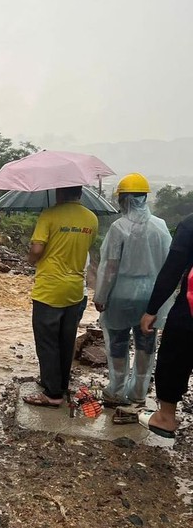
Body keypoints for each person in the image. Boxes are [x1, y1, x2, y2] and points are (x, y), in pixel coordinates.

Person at [93, 174, 172, 408]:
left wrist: (100, 296)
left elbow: (109, 267)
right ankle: (138, 392)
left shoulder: (119, 227)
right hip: (151, 296)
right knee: (145, 343)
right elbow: (169, 264)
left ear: (124, 200)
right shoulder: (161, 226)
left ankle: (116, 390)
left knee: (117, 342)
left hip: (121, 294)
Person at [24, 186, 98, 407]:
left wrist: (31, 260)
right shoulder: (91, 218)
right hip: (75, 289)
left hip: (50, 288)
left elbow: (37, 250)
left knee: (47, 341)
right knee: (66, 341)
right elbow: (87, 247)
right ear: (80, 193)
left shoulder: (49, 215)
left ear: (59, 193)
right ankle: (61, 384)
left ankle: (52, 393)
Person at [138, 212, 193, 438]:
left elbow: (172, 270)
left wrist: (152, 310)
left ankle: (166, 418)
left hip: (190, 310)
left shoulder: (190, 225)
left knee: (174, 357)